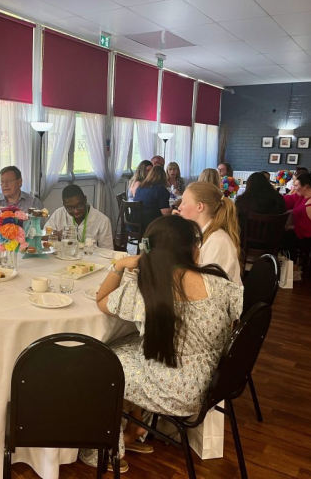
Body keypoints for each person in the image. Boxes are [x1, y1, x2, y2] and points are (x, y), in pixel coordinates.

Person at [85, 215, 242, 472]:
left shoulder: (147, 289)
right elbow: (233, 326)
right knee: (128, 345)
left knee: (101, 361)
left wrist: (119, 266)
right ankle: (135, 427)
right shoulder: (220, 282)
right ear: (192, 249)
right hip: (214, 384)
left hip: (172, 391)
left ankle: (105, 450)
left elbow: (102, 300)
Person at [178, 181, 242, 286]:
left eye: (184, 203)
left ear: (199, 206)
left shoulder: (218, 241)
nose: (179, 207)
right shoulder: (198, 233)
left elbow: (211, 288)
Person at [44, 184, 113, 250]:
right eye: (70, 208)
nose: (76, 211)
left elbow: (107, 252)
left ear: (85, 200)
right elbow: (43, 236)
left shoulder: (103, 221)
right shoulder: (58, 214)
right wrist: (57, 235)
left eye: (79, 205)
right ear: (64, 205)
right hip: (64, 256)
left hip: (90, 257)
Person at [235, 172, 286, 242]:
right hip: (273, 240)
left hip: (247, 241)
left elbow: (237, 220)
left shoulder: (242, 201)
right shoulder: (278, 199)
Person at [133, 166, 171, 231]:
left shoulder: (140, 187)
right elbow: (166, 213)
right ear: (163, 177)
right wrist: (174, 207)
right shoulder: (160, 189)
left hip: (134, 222)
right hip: (150, 225)